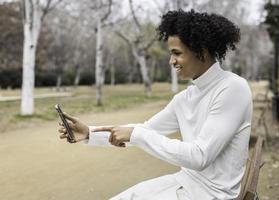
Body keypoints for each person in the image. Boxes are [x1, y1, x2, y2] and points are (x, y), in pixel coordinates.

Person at [58, 9, 252, 200]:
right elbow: (147, 129)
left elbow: (199, 157)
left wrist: (138, 134)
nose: (171, 61)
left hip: (212, 195)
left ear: (202, 51)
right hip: (186, 183)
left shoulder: (232, 88)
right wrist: (89, 133)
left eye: (177, 53)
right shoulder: (185, 98)